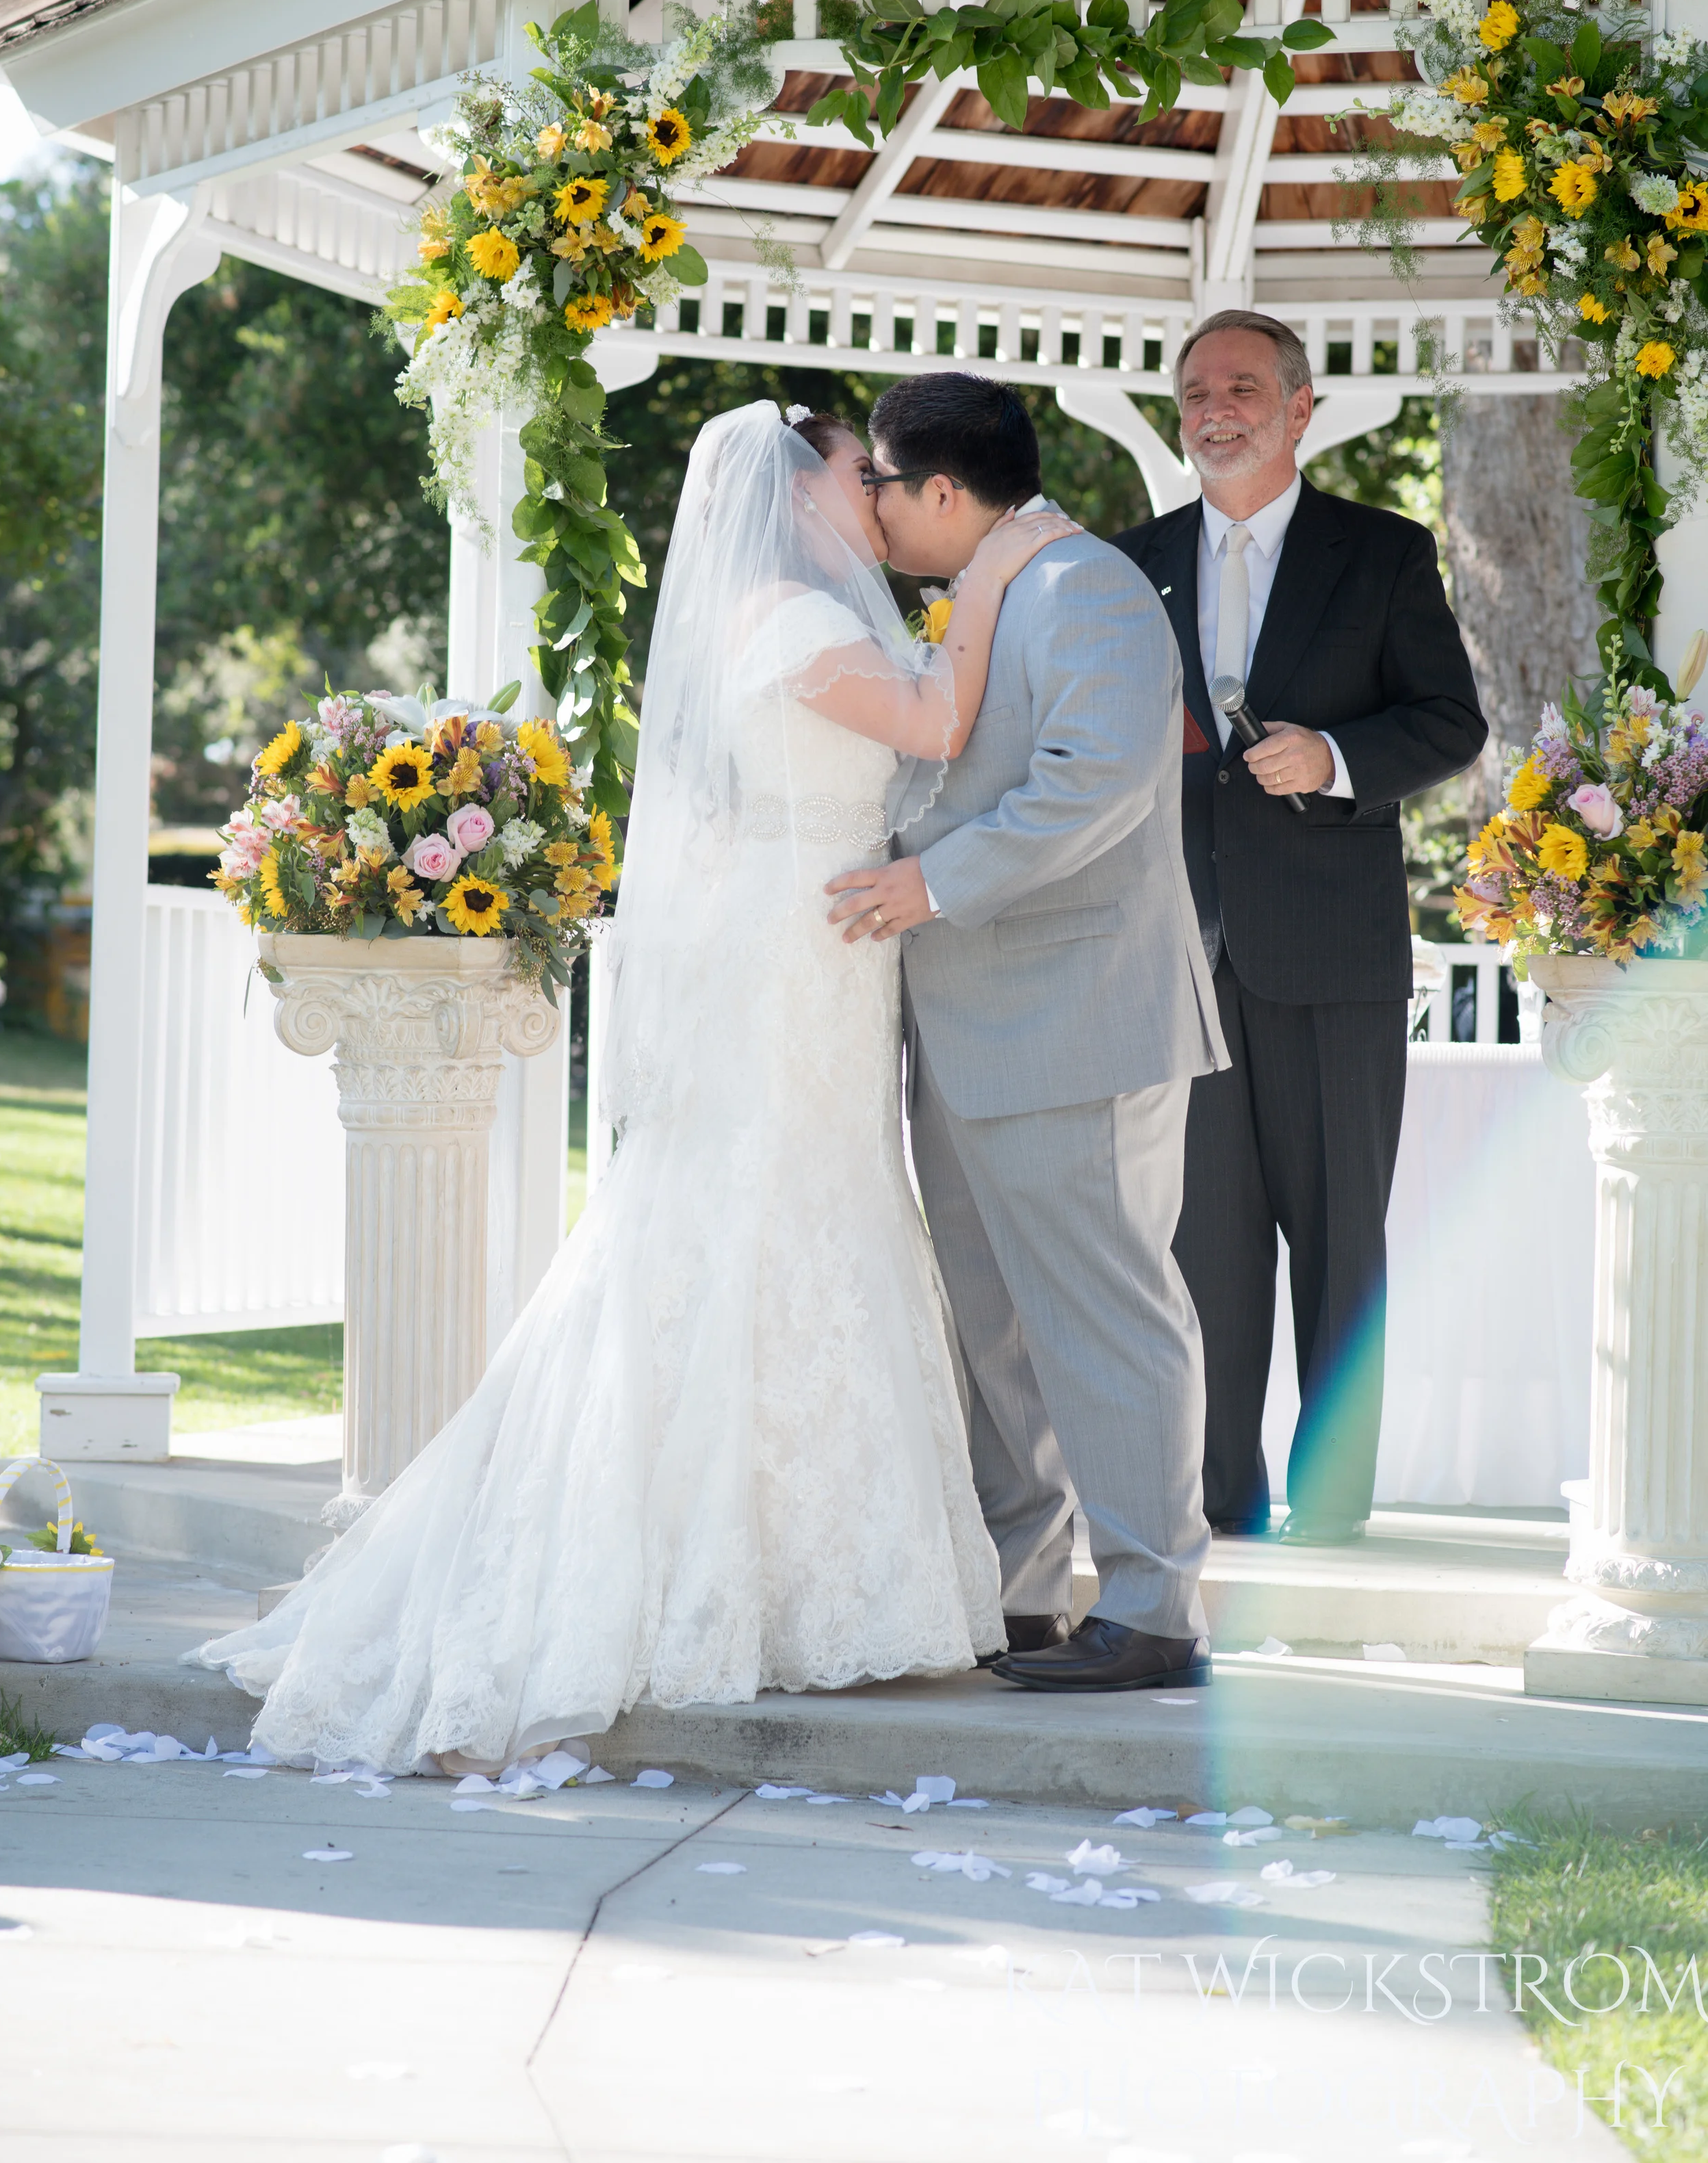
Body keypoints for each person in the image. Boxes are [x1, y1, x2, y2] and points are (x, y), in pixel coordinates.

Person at [192, 400, 1078, 1772]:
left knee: (816, 1206)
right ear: (797, 495)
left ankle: (807, 1576)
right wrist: (997, 570)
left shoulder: (804, 614)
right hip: (794, 947)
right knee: (762, 1210)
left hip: (822, 942)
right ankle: (726, 1577)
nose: (881, 490)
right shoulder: (788, 621)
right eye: (861, 472)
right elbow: (941, 712)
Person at [825, 374, 1226, 1694]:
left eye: (879, 483)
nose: (871, 509)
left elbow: (1093, 784)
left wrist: (929, 883)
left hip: (1077, 1019)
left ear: (946, 490)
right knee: (995, 1325)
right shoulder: (995, 597)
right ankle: (1026, 1592)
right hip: (969, 1024)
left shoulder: (1085, 588)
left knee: (1107, 1314)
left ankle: (1157, 1605)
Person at [1116, 311, 1487, 1543]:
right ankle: (1223, 1506)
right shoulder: (1133, 562)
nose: (1214, 408)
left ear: (1299, 408)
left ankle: (1331, 1517)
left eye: (1240, 387)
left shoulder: (1381, 552)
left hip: (1335, 958)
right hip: (1184, 955)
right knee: (1204, 1254)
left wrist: (1331, 757)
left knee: (1339, 1246)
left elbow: (1449, 723)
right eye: (1194, 392)